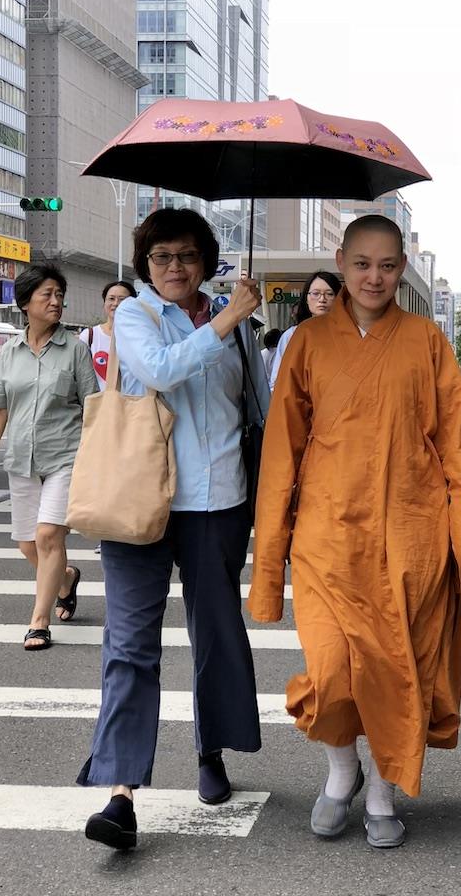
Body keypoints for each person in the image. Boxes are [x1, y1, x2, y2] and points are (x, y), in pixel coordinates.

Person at [248, 215, 461, 849]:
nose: (375, 277)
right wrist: (269, 563)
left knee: (401, 670)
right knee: (335, 670)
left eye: (388, 265)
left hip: (411, 535)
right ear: (341, 262)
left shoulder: (427, 340)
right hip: (327, 538)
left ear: (402, 268)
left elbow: (458, 448)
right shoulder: (308, 343)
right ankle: (341, 774)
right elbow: (281, 455)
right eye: (363, 263)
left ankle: (380, 788)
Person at [78, 207, 269, 850]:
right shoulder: (134, 314)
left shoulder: (237, 318)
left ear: (208, 259)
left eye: (187, 255)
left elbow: (258, 410)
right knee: (131, 643)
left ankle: (211, 751)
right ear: (145, 265)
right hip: (139, 500)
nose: (175, 268)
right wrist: (225, 321)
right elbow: (159, 370)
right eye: (162, 257)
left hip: (218, 500)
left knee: (216, 632)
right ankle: (121, 790)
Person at [0, 265, 99, 650]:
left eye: (59, 295)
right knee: (27, 543)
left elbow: (92, 407)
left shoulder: (75, 349)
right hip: (20, 458)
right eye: (47, 294)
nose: (56, 301)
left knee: (49, 535)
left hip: (66, 455)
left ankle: (39, 621)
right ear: (26, 301)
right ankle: (65, 579)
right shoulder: (9, 353)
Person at [268, 270, 341, 388]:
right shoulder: (293, 335)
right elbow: (278, 380)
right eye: (316, 293)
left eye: (329, 294)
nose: (322, 299)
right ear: (306, 298)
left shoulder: (348, 334)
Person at [79, 280, 137, 390]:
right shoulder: (89, 336)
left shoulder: (140, 337)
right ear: (104, 302)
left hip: (131, 403)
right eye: (111, 298)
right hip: (98, 403)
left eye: (122, 299)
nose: (116, 303)